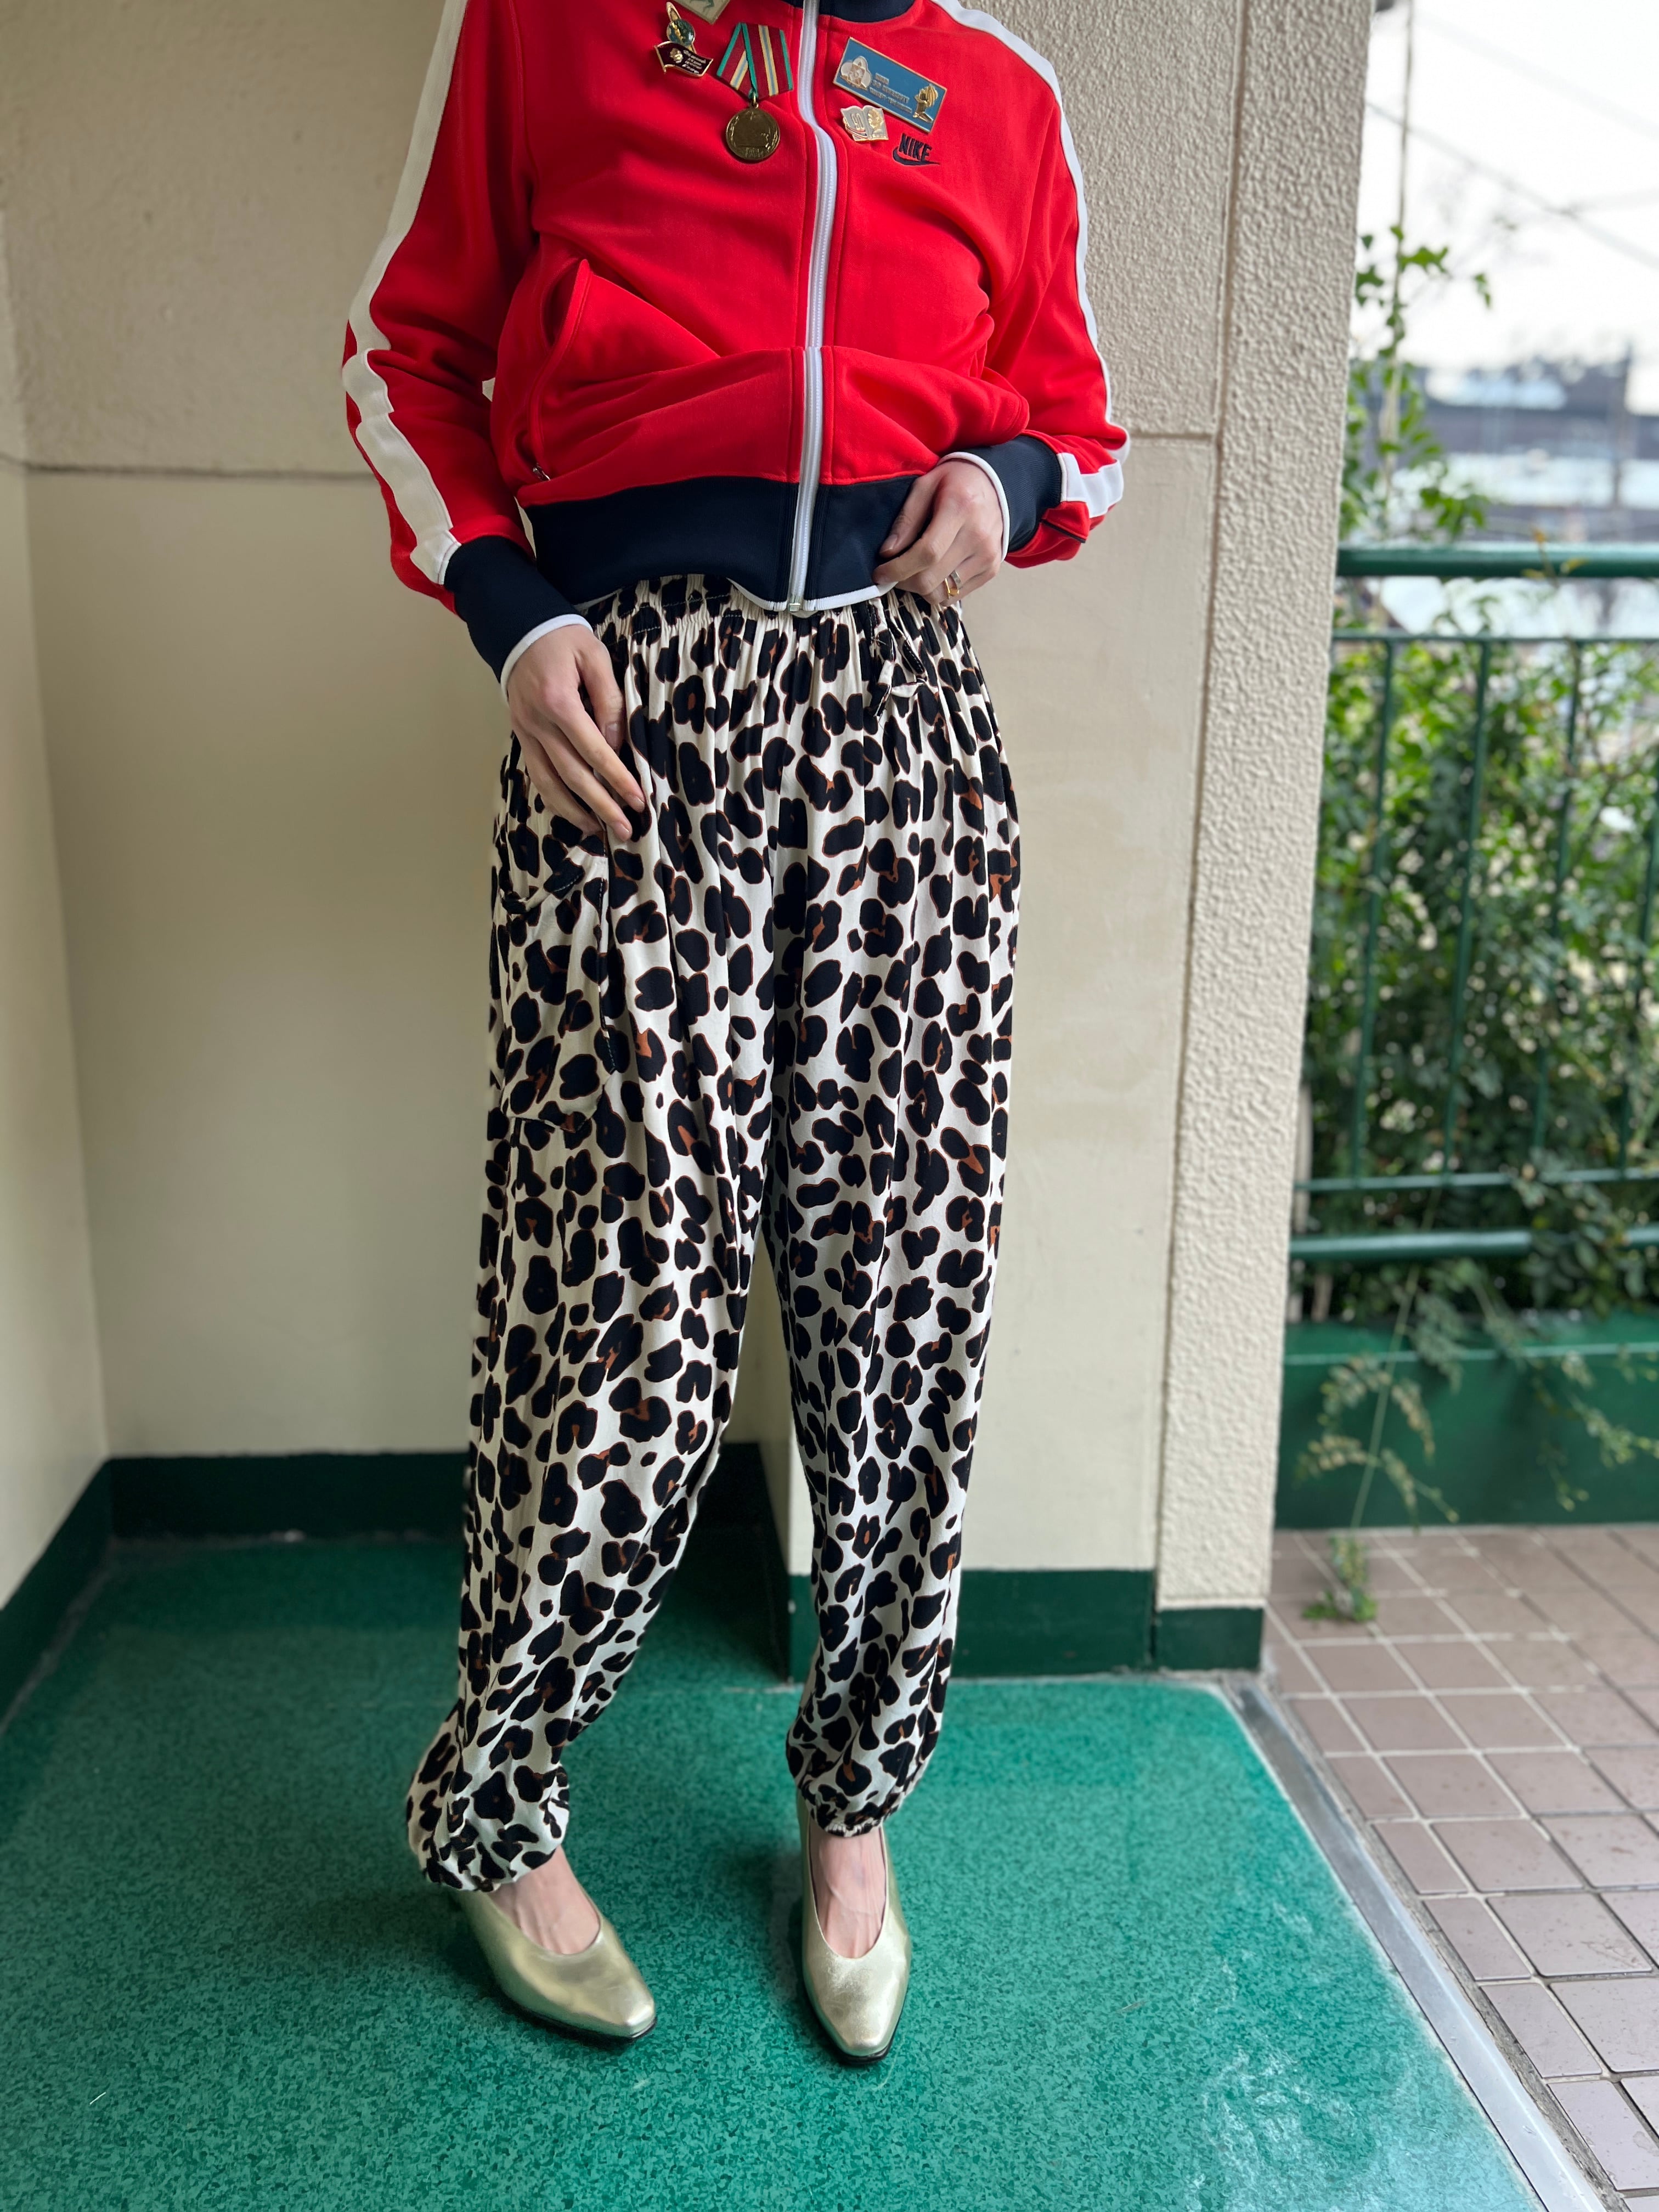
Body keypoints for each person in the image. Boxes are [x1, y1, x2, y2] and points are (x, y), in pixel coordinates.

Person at [344, 0, 1125, 2062]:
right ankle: (499, 1808)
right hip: (635, 724)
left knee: (904, 1296)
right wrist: (514, 612)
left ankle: (857, 1810)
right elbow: (403, 356)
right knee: (619, 1310)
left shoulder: (1001, 87)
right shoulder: (542, 26)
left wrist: (1007, 477)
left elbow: (1082, 422)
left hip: (902, 730)